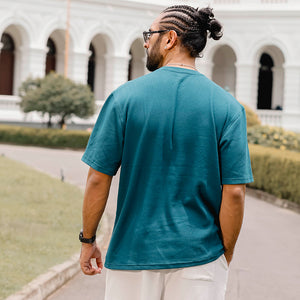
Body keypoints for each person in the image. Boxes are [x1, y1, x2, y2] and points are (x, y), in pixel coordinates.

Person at [79, 5, 253, 300]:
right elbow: (234, 192)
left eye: (150, 34)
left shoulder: (124, 98)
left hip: (131, 256)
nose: (145, 41)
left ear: (170, 38)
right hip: (201, 257)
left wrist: (88, 240)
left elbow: (98, 178)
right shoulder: (228, 108)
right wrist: (225, 253)